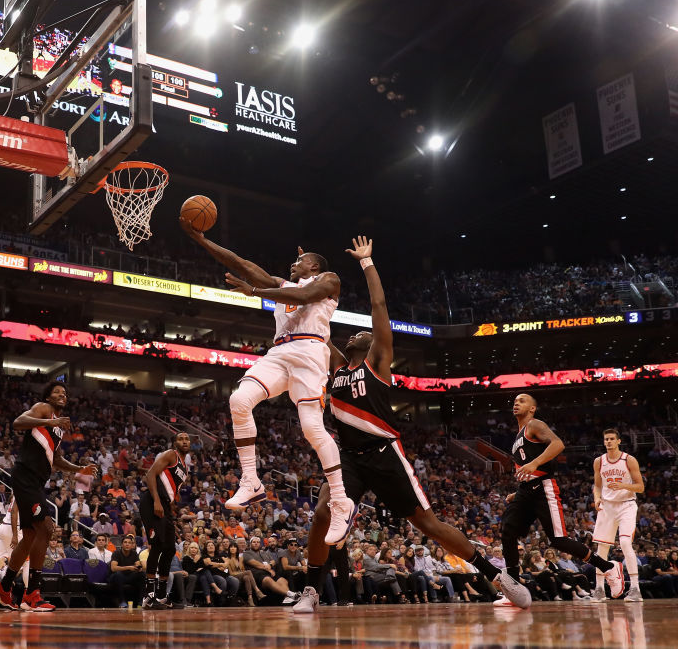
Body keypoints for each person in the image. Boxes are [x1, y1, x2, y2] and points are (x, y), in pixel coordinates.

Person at [298, 237, 528, 613]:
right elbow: (315, 328)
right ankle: (310, 589)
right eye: (353, 334)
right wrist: (306, 281)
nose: (355, 333)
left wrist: (368, 264)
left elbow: (377, 306)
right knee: (324, 511)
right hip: (351, 459)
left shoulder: (377, 360)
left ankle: (497, 576)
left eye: (363, 333)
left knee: (429, 525)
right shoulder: (338, 366)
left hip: (385, 453)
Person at [181, 220, 354, 543]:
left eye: (300, 261)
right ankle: (251, 481)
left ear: (313, 265)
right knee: (238, 400)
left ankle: (342, 502)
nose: (293, 263)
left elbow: (307, 296)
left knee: (312, 429)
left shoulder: (328, 279)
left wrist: (257, 292)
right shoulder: (283, 285)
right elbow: (242, 264)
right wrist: (203, 241)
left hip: (310, 351)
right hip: (280, 351)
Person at [497, 393, 624, 606]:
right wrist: (519, 489)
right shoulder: (518, 435)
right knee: (507, 531)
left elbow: (557, 445)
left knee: (557, 540)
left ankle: (609, 567)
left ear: (532, 408)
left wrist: (535, 464)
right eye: (515, 401)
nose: (516, 403)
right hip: (526, 490)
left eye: (522, 400)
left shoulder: (534, 424)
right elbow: (527, 468)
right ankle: (513, 588)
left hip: (543, 488)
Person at [0, 383, 98, 612]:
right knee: (46, 528)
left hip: (38, 479)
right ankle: (31, 595)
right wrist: (49, 421)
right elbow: (18, 423)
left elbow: (56, 458)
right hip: (25, 475)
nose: (62, 395)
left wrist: (79, 468)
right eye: (57, 392)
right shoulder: (42, 409)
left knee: (29, 536)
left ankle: (4, 589)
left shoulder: (58, 426)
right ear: (48, 395)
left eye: (65, 394)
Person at [139, 432, 191, 609]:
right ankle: (148, 596)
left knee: (169, 549)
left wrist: (171, 508)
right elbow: (150, 474)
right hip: (152, 501)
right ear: (175, 443)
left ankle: (161, 596)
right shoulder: (170, 455)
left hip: (166, 505)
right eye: (181, 439)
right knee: (158, 546)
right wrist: (156, 500)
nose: (184, 442)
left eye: (187, 439)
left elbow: (173, 490)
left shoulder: (185, 468)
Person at [592, 428, 645, 602]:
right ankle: (599, 589)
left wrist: (624, 486)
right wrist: (597, 498)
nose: (608, 442)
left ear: (619, 441)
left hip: (626, 505)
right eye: (606, 439)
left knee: (624, 542)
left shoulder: (629, 460)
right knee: (601, 548)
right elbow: (597, 485)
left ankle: (635, 588)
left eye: (612, 439)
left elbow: (640, 487)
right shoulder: (599, 461)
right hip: (607, 507)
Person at [110, 534, 144, 608]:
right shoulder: (116, 553)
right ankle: (122, 601)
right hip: (117, 577)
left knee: (142, 574)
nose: (127, 544)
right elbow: (113, 568)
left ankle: (141, 601)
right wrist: (128, 567)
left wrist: (139, 568)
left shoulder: (134, 553)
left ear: (132, 545)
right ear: (122, 544)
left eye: (129, 543)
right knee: (118, 575)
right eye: (125, 542)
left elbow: (138, 564)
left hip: (129, 576)